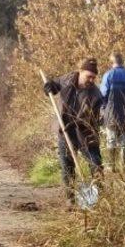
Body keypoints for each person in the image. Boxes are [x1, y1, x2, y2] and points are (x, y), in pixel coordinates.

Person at [42, 58, 103, 203]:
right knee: (67, 166)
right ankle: (71, 199)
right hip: (65, 131)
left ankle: (99, 198)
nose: (91, 80)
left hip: (86, 133)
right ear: (80, 71)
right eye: (89, 76)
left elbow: (91, 119)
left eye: (94, 77)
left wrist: (75, 123)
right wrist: (49, 86)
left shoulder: (96, 95)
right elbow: (55, 85)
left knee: (96, 163)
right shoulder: (68, 79)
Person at [99, 52, 125, 172]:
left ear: (112, 62)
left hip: (111, 113)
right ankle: (123, 167)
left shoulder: (109, 75)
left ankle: (111, 166)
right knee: (123, 141)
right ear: (122, 61)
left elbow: (103, 95)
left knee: (111, 140)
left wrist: (102, 110)